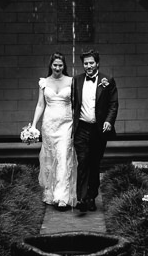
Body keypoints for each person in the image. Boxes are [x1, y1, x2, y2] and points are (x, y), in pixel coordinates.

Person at [71, 48, 118, 212]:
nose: (88, 66)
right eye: (86, 63)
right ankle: (82, 199)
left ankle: (91, 196)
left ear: (97, 63)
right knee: (82, 162)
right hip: (82, 128)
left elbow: (113, 104)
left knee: (94, 164)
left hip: (98, 130)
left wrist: (108, 121)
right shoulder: (76, 80)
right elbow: (72, 103)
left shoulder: (107, 80)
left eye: (91, 63)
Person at [30, 52, 77, 210]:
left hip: (66, 124)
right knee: (51, 159)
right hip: (49, 125)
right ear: (51, 65)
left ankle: (62, 196)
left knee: (63, 156)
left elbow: (75, 104)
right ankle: (51, 192)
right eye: (55, 65)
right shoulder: (43, 82)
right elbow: (40, 105)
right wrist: (33, 125)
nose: (57, 67)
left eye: (60, 65)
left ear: (64, 66)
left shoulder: (71, 81)